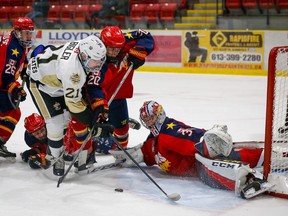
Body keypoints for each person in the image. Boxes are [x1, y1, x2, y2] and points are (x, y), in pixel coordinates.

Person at [109, 101, 273, 199]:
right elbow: (148, 152)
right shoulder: (155, 139)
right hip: (196, 166)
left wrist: (206, 140)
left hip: (200, 162)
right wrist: (130, 156)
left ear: (159, 115)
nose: (149, 122)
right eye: (146, 120)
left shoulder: (169, 133)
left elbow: (196, 140)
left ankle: (260, 169)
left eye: (151, 118)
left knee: (216, 167)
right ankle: (259, 165)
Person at [63, 26, 154, 169]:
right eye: (110, 48)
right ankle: (84, 153)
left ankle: (120, 153)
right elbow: (93, 87)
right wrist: (100, 106)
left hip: (118, 97)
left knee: (122, 128)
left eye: (117, 48)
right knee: (85, 125)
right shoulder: (96, 58)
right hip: (96, 98)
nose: (114, 52)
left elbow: (146, 35)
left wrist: (139, 52)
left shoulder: (123, 41)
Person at [26, 35, 114, 176]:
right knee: (55, 124)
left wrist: (97, 111)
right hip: (41, 84)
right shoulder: (72, 70)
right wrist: (94, 126)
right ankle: (56, 158)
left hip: (58, 80)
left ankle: (62, 149)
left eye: (100, 61)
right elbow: (74, 105)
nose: (98, 65)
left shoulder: (85, 47)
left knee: (67, 119)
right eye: (95, 62)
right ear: (84, 56)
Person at [0, 17, 35, 161]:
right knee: (13, 112)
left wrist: (25, 69)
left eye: (30, 33)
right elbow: (4, 79)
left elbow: (23, 58)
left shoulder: (15, 40)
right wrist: (16, 89)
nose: (29, 36)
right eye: (26, 33)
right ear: (17, 32)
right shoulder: (12, 49)